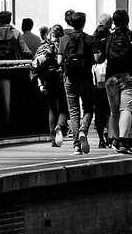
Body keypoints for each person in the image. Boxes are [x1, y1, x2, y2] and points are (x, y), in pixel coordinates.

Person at [97, 9, 132, 154]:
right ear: (128, 21)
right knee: (126, 109)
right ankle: (123, 141)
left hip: (112, 77)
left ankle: (114, 139)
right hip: (131, 77)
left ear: (114, 22)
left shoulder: (109, 38)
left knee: (114, 112)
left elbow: (99, 59)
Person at [58, 11, 97, 155]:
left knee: (74, 112)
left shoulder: (64, 39)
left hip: (69, 79)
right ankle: (83, 130)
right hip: (86, 78)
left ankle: (76, 146)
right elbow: (97, 59)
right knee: (88, 108)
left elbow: (59, 61)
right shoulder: (90, 39)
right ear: (84, 23)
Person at [32, 24, 68, 146]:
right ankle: (60, 125)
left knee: (52, 108)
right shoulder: (64, 45)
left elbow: (35, 65)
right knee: (64, 106)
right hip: (62, 79)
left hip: (49, 80)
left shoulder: (44, 46)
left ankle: (53, 139)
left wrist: (40, 84)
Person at [91, 13, 112, 148]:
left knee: (98, 113)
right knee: (109, 111)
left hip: (95, 84)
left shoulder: (92, 44)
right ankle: (108, 134)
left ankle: (101, 139)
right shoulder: (110, 43)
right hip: (109, 83)